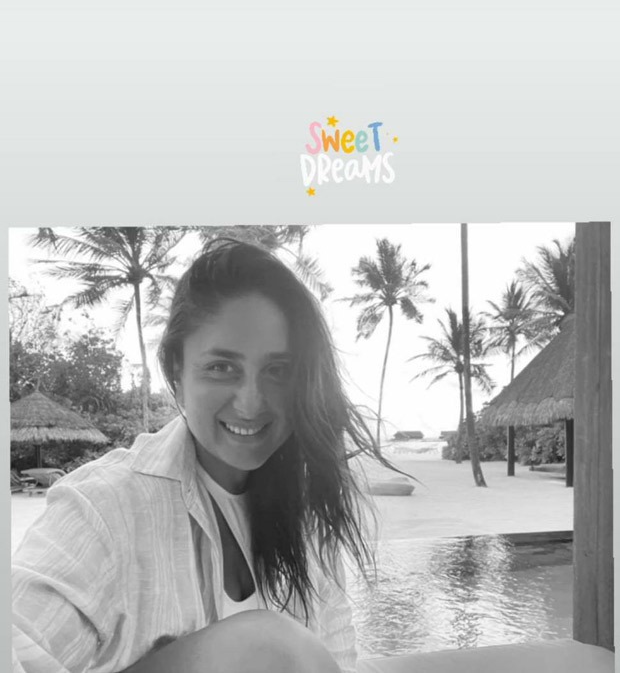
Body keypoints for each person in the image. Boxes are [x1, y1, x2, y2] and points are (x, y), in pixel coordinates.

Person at [12, 239, 395, 673]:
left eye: (278, 370)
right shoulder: (108, 507)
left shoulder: (308, 514)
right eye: (221, 367)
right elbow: (20, 636)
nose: (251, 403)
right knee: (267, 643)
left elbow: (337, 655)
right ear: (177, 372)